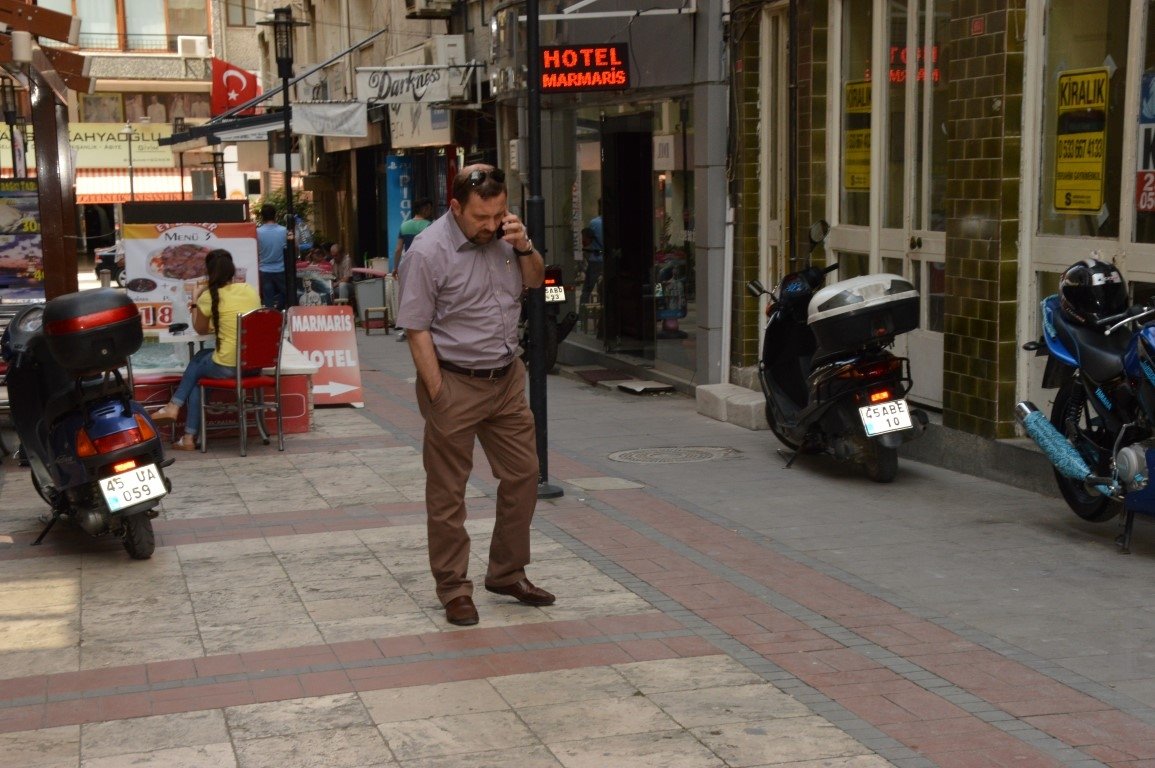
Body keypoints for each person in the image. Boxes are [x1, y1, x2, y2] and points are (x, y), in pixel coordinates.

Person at [396, 164, 551, 627]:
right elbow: (415, 327)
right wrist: (439, 392)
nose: (491, 225)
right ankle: (453, 587)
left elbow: (541, 283)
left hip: (505, 379)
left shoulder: (507, 237)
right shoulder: (427, 253)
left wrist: (524, 245)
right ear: (456, 207)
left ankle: (506, 572)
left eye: (499, 214)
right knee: (449, 493)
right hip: (455, 380)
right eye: (482, 217)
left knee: (525, 475)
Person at [148, 249, 261, 451]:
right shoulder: (249, 290)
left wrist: (194, 300)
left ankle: (173, 406)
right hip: (254, 366)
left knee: (198, 359)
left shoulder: (209, 296)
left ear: (209, 273)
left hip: (229, 366)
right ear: (232, 270)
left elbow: (199, 329)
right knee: (199, 382)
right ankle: (189, 438)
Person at [392, 198, 435, 341]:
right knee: (424, 294)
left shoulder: (404, 226)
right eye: (428, 208)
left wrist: (395, 267)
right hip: (424, 264)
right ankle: (425, 327)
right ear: (423, 209)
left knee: (406, 296)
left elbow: (398, 249)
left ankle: (406, 330)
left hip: (407, 264)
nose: (430, 211)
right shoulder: (430, 226)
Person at [256, 203, 288, 309]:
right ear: (275, 215)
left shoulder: (257, 232)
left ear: (262, 216)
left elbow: (256, 250)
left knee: (268, 298)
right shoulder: (283, 231)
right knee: (287, 293)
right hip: (281, 268)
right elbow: (294, 246)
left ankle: (271, 318)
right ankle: (279, 310)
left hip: (264, 269)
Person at [580, 209, 604, 307]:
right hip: (611, 261)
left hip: (596, 259)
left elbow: (586, 242)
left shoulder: (594, 223)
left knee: (587, 289)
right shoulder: (615, 222)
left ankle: (581, 318)